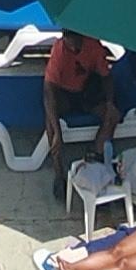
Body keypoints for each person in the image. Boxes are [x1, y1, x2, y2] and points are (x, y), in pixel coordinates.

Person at [39, 25, 119, 170]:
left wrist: (109, 102)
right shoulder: (60, 50)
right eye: (67, 37)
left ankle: (97, 152)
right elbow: (48, 90)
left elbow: (106, 77)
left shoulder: (93, 45)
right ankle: (58, 171)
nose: (71, 43)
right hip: (64, 94)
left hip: (87, 92)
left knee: (112, 116)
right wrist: (58, 131)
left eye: (74, 38)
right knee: (50, 118)